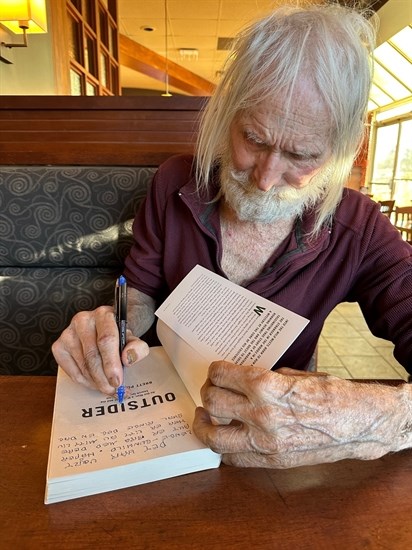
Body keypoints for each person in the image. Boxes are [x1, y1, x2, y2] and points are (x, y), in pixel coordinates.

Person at [52, 2, 412, 469]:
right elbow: (139, 292)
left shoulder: (358, 227)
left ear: (340, 153)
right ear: (226, 115)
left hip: (280, 453)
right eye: (254, 140)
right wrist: (113, 326)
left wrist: (383, 418)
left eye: (301, 155)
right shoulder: (175, 182)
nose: (266, 178)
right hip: (169, 422)